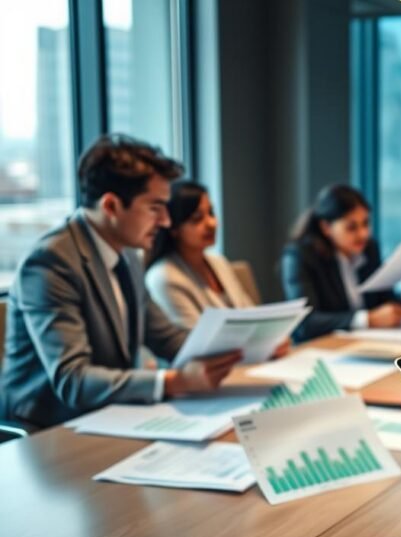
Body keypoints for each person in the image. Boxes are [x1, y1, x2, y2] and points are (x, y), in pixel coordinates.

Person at [1, 135, 243, 429]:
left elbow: (165, 336)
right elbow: (73, 379)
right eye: (155, 207)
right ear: (112, 206)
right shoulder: (50, 263)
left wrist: (240, 345)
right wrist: (173, 381)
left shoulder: (128, 255)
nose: (166, 221)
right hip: (47, 430)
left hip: (110, 416)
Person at [281, 184, 401, 342]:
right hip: (323, 350)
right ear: (326, 227)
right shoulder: (300, 256)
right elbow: (305, 323)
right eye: (351, 227)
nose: (363, 234)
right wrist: (367, 319)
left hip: (367, 343)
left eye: (365, 223)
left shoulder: (369, 249)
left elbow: (386, 304)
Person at [145, 180, 256, 326]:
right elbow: (193, 337)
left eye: (211, 213)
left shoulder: (219, 262)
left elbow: (252, 314)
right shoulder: (164, 277)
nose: (211, 224)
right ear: (174, 228)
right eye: (197, 219)